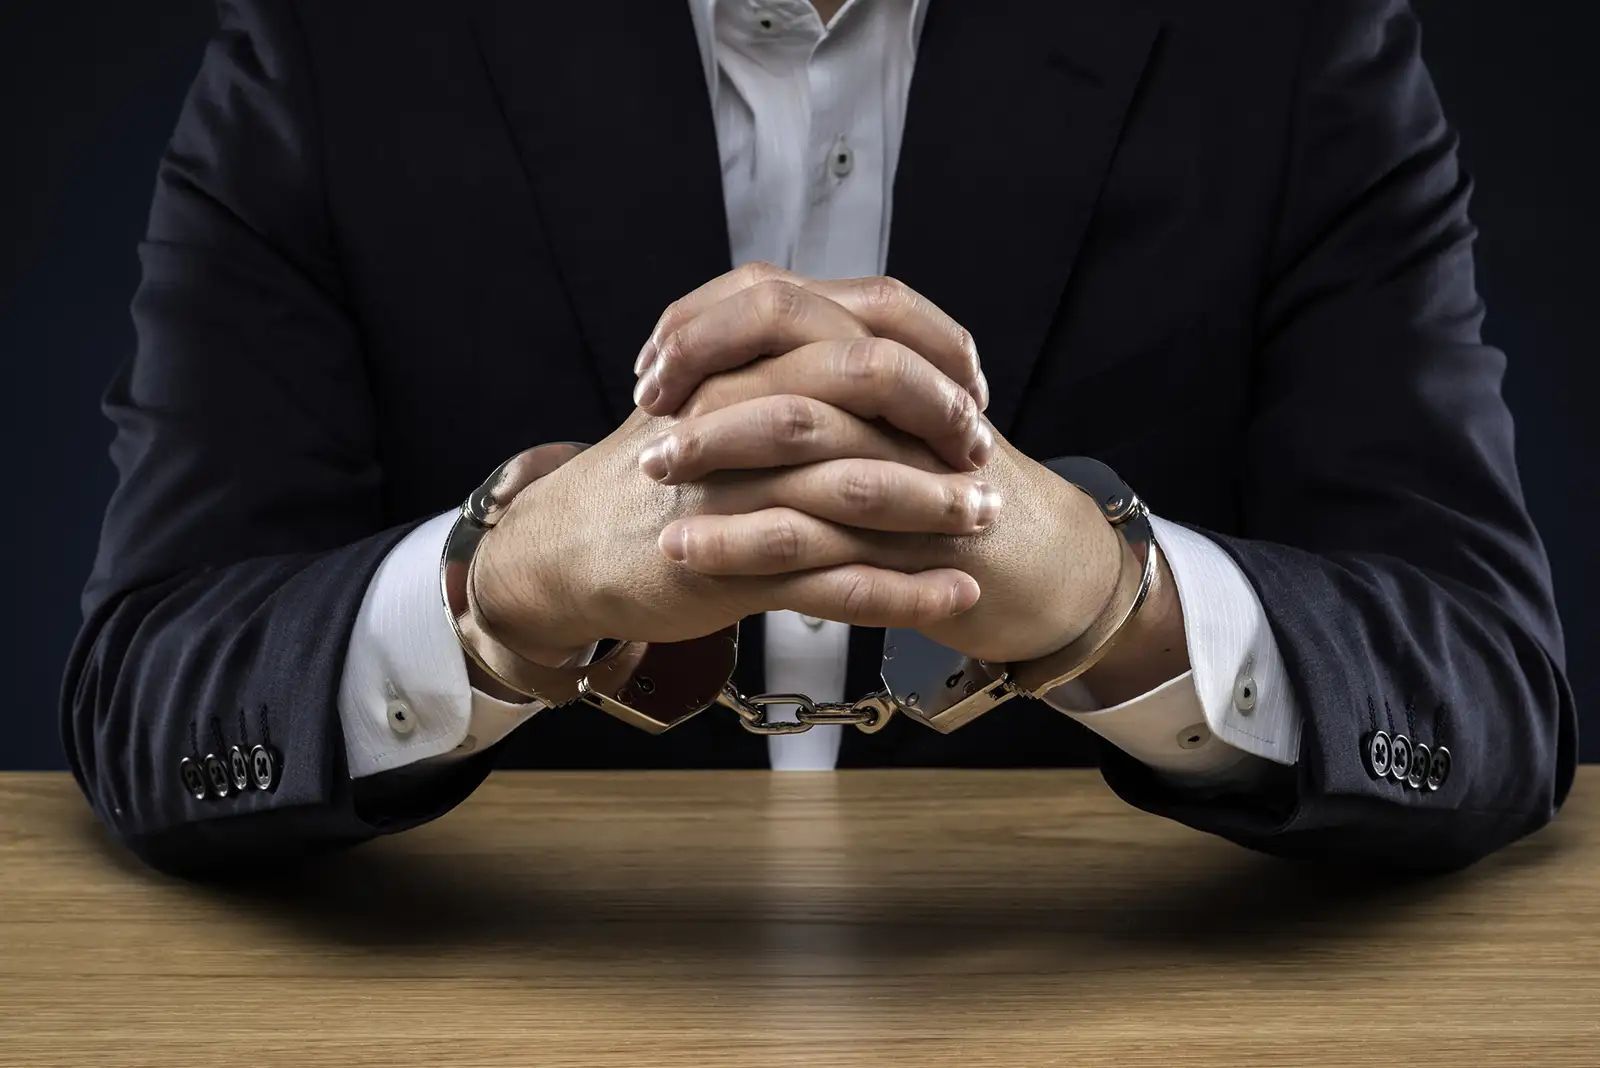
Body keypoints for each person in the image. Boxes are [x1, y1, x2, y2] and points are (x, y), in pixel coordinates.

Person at [65, 0, 1574, 875]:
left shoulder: (1293, 39)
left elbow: (1488, 686)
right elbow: (153, 688)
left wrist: (1116, 598)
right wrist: (493, 593)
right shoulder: (333, 42)